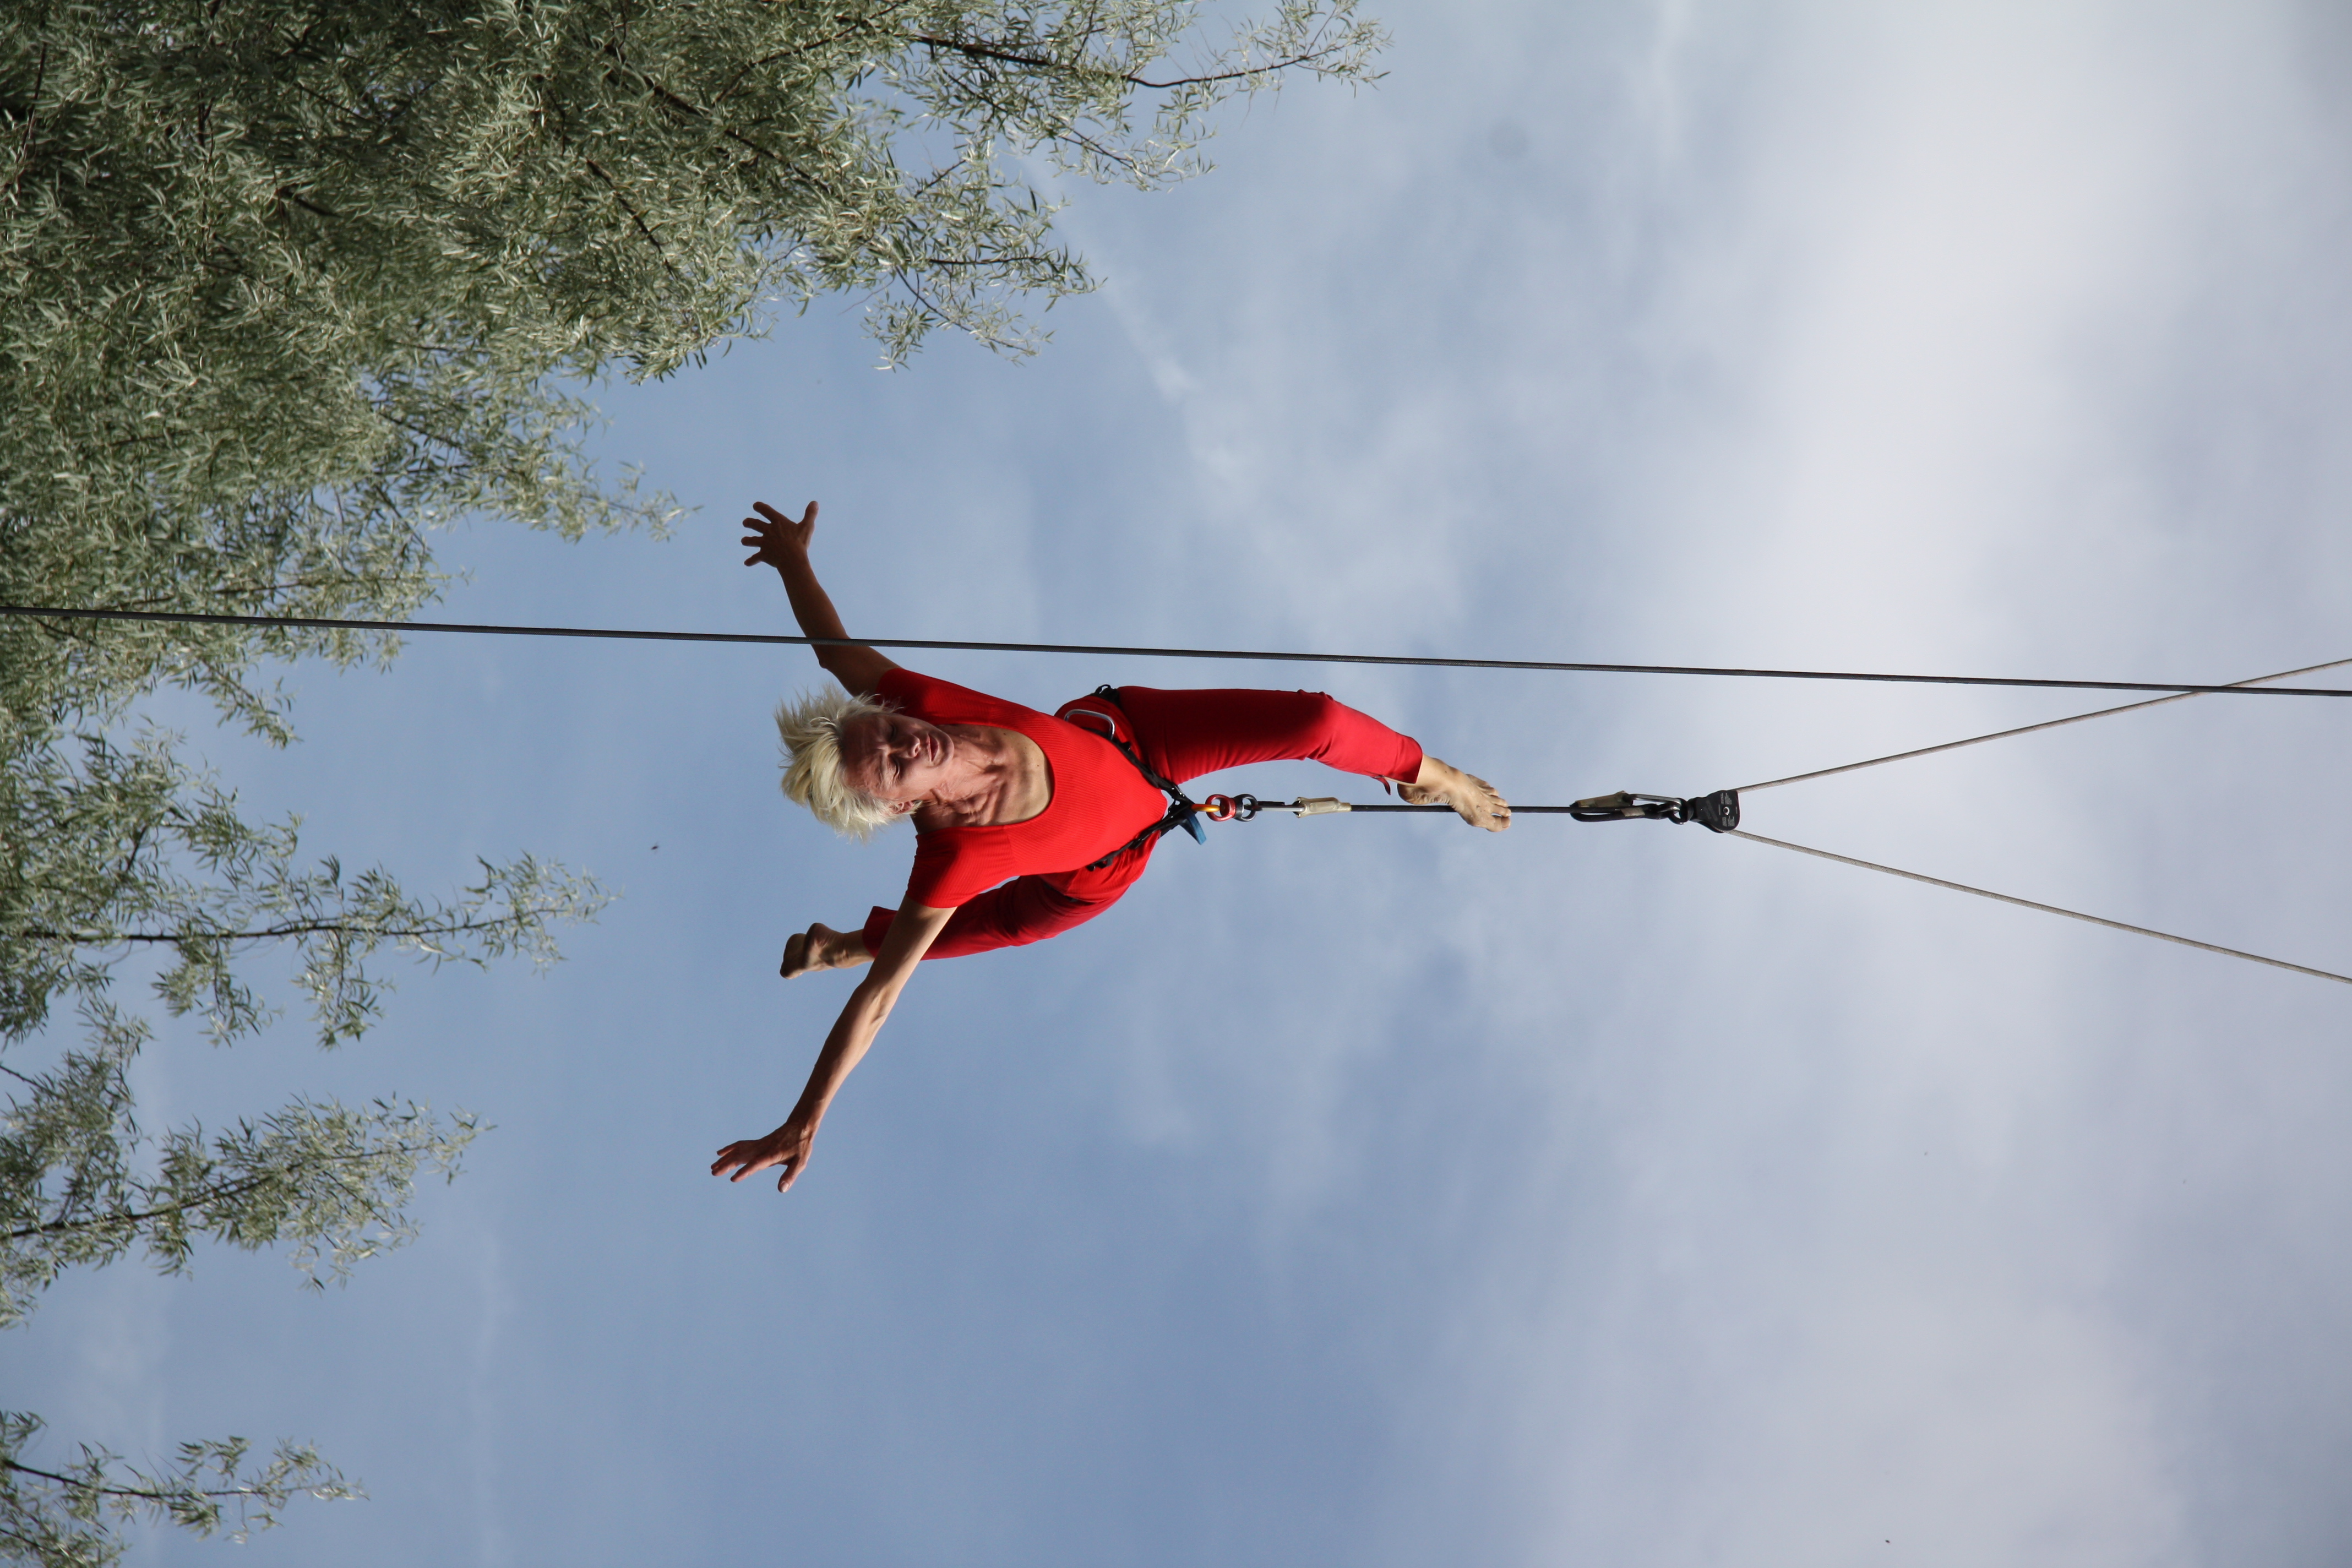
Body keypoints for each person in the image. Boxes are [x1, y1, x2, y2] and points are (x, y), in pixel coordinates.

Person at [711, 500, 1511, 1193]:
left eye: (887, 731)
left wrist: (790, 561)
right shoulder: (953, 858)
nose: (904, 746)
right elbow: (881, 1005)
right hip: (1092, 873)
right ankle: (854, 945)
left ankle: (1430, 774)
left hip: (1131, 736)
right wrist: (805, 1118)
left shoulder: (914, 696)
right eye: (888, 766)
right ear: (895, 809)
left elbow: (830, 648)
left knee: (1319, 725)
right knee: (981, 929)